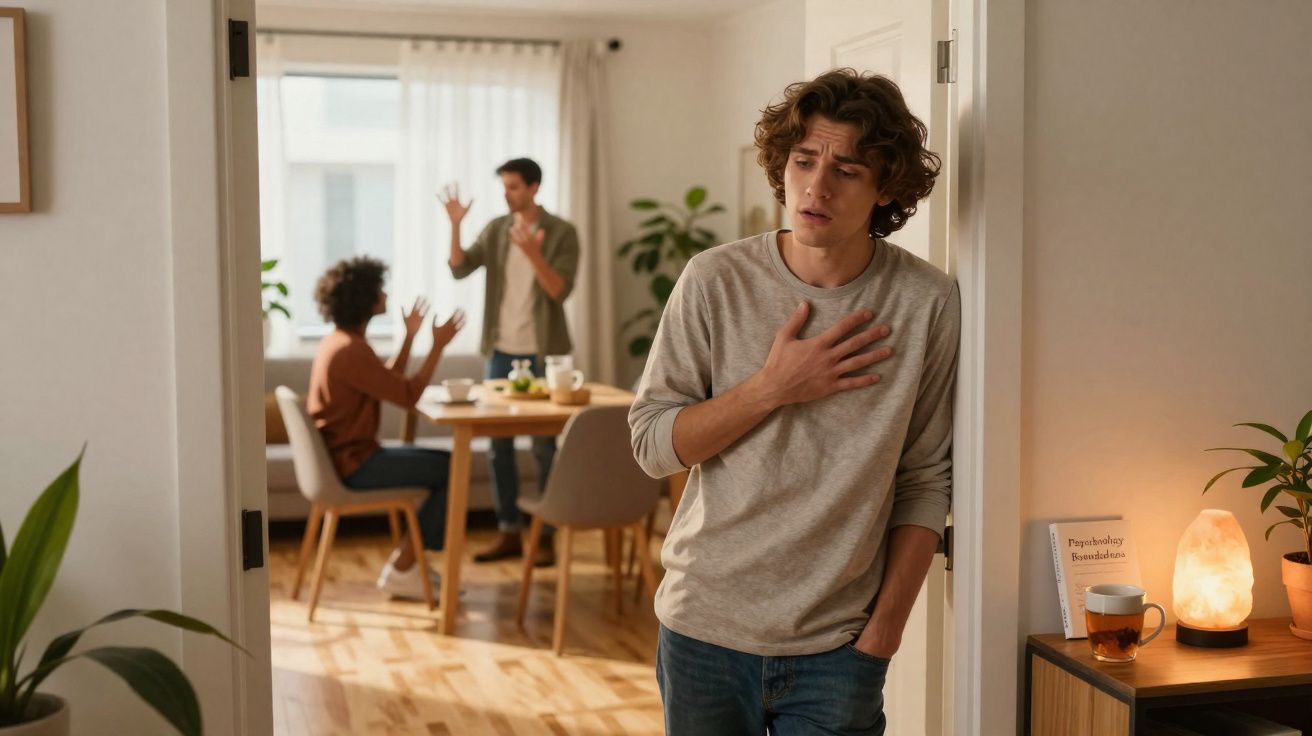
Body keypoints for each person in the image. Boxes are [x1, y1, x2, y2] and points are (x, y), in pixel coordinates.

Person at [629, 69, 959, 735]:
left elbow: (926, 479)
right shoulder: (714, 280)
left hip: (838, 650)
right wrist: (771, 387)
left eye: (847, 169)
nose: (816, 186)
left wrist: (884, 633)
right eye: (804, 161)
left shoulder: (926, 302)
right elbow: (652, 447)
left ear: (886, 187)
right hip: (704, 632)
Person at [440, 158, 580, 567]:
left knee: (544, 445)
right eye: (504, 186)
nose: (507, 194)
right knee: (497, 448)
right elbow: (459, 269)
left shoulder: (562, 233)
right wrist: (454, 225)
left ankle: (548, 534)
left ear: (535, 187)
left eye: (514, 186)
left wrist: (534, 255)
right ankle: (508, 532)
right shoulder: (497, 229)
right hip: (500, 352)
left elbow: (559, 291)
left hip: (543, 355)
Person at [307, 256, 465, 600]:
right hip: (357, 464)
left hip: (347, 458)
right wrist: (438, 346)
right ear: (366, 300)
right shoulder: (350, 351)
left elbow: (385, 379)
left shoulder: (340, 343)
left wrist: (410, 338)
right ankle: (406, 566)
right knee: (454, 468)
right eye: (380, 289)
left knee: (450, 465)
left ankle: (408, 563)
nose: (385, 294)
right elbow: (407, 394)